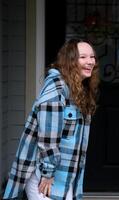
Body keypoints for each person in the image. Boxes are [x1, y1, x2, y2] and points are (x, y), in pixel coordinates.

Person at [3, 38, 99, 200]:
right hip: (45, 176)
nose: (90, 62)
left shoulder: (79, 88)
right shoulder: (57, 87)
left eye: (92, 57)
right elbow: (48, 137)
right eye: (83, 57)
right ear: (70, 61)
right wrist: (47, 173)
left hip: (64, 175)